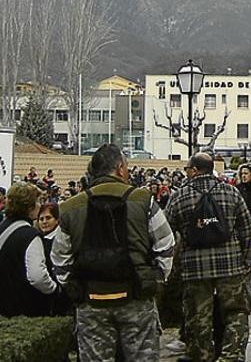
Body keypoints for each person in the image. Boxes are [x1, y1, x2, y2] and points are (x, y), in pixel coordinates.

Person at [51, 144, 175, 361]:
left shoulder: (70, 207)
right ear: (119, 168)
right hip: (136, 298)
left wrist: (72, 285)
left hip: (91, 301)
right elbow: (166, 244)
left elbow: (60, 258)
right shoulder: (143, 200)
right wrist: (155, 279)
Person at [164, 152, 251, 362]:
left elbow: (166, 233)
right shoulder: (230, 192)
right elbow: (248, 230)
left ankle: (202, 356)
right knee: (236, 314)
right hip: (231, 266)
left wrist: (174, 266)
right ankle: (231, 356)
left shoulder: (180, 195)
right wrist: (245, 261)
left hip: (195, 269)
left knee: (198, 318)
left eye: (187, 168)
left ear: (194, 170)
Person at [0, 183, 60, 317]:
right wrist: (55, 289)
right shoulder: (30, 236)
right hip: (21, 309)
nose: (40, 205)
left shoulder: (3, 227)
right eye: (38, 201)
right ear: (29, 207)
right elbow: (37, 277)